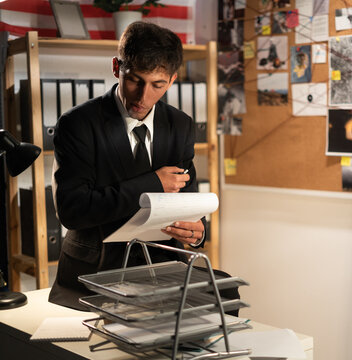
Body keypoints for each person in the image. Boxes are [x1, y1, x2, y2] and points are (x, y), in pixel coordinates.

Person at [48, 22, 237, 311]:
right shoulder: (77, 124)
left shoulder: (181, 124)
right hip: (95, 274)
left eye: (157, 85)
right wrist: (152, 184)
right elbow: (72, 211)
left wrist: (197, 232)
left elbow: (189, 200)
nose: (143, 97)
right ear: (116, 68)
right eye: (135, 80)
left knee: (227, 299)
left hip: (161, 269)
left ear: (172, 81)